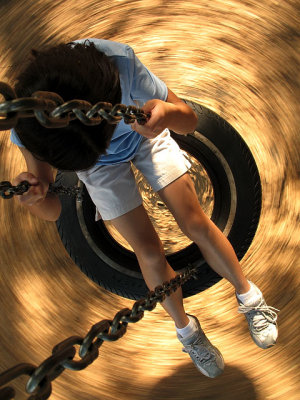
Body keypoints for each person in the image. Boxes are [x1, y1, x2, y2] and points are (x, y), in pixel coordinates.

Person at [10, 39, 279, 378]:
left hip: (143, 137)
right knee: (148, 252)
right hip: (96, 166)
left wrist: (166, 115)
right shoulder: (28, 126)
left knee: (194, 222)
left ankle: (249, 296)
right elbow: (52, 209)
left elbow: (189, 121)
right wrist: (33, 197)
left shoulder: (120, 67)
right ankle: (187, 331)